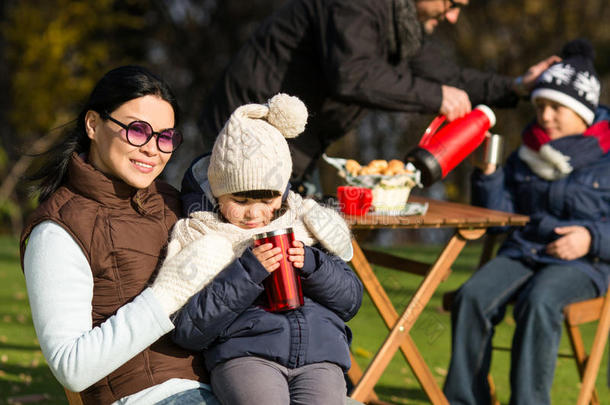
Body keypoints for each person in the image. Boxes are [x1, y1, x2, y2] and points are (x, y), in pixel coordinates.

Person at [198, 0, 560, 193]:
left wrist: (514, 86)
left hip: (297, 148)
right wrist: (436, 97)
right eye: (452, 3)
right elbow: (352, 75)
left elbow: (450, 77)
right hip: (244, 132)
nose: (452, 17)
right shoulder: (357, 6)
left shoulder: (402, 25)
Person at [20, 66, 220, 405]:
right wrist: (166, 296)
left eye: (165, 137)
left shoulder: (174, 201)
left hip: (231, 382)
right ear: (93, 125)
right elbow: (73, 367)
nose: (153, 149)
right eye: (137, 130)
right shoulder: (57, 229)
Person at [163, 93, 363, 405]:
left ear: (283, 193)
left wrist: (312, 264)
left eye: (267, 201)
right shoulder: (203, 237)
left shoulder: (308, 225)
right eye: (240, 202)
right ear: (217, 195)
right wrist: (246, 272)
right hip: (246, 357)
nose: (254, 214)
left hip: (321, 358)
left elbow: (351, 300)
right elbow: (189, 328)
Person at [443, 39, 610, 405]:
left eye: (556, 107)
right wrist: (488, 175)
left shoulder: (607, 155)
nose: (545, 116)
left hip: (583, 262)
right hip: (523, 251)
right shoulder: (524, 154)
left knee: (538, 302)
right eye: (540, 106)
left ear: (583, 110)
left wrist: (590, 237)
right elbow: (501, 221)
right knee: (470, 296)